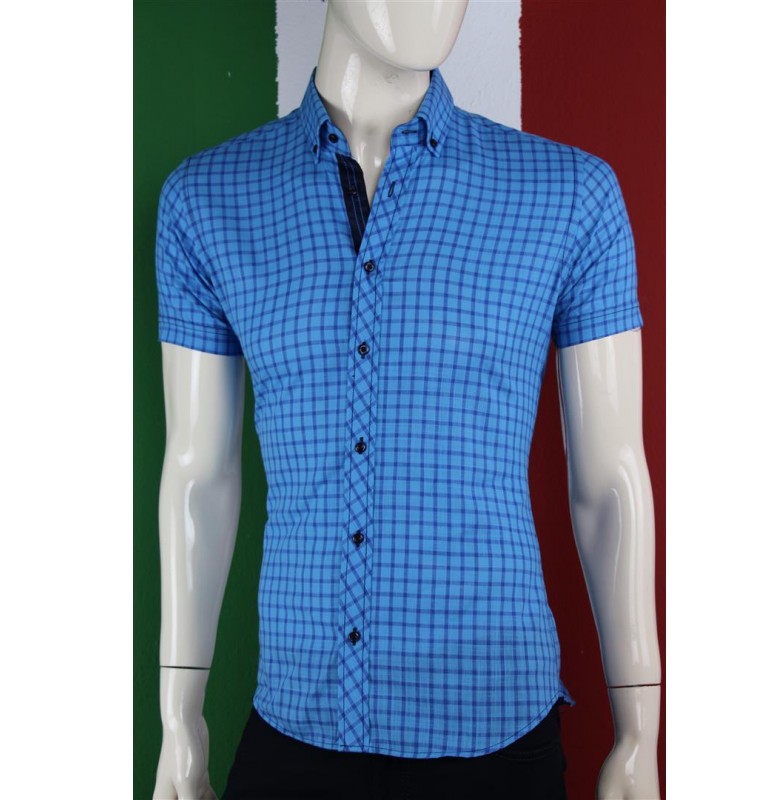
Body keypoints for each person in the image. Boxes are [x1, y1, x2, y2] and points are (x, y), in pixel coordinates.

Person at [151, 1, 662, 798]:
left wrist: (640, 727)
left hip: (498, 738)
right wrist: (180, 721)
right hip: (295, 734)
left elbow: (609, 479)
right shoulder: (208, 201)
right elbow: (198, 474)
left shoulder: (569, 197)